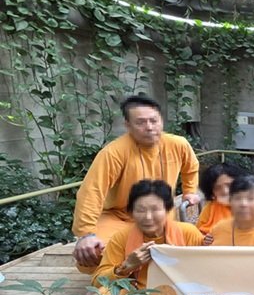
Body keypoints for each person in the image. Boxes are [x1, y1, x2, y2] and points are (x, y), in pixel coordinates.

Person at [73, 95, 200, 274]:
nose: (149, 127)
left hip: (159, 214)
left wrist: (189, 191)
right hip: (119, 216)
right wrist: (86, 234)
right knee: (93, 252)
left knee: (182, 249)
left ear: (161, 120)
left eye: (153, 120)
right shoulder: (113, 153)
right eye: (140, 122)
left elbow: (191, 167)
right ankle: (113, 278)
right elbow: (92, 192)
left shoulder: (178, 144)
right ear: (128, 125)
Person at [92, 180, 204, 290]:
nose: (148, 217)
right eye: (140, 210)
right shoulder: (121, 238)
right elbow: (97, 283)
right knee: (103, 294)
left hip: (183, 294)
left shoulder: (188, 233)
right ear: (131, 212)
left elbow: (207, 267)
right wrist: (127, 266)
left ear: (167, 209)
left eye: (155, 209)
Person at [195, 163, 254, 234]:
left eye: (229, 185)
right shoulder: (211, 206)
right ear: (212, 192)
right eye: (218, 188)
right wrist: (205, 239)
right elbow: (198, 232)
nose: (225, 191)